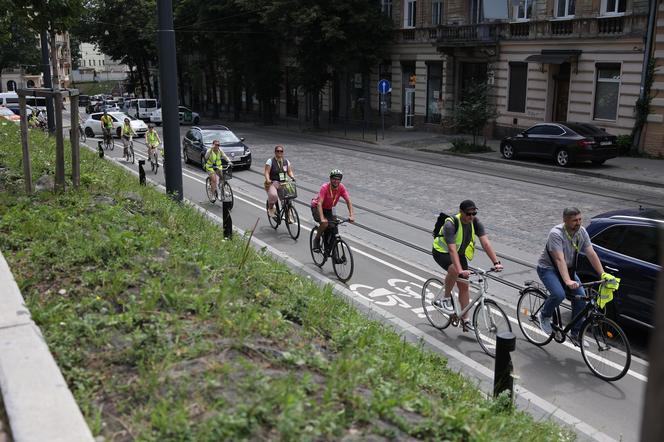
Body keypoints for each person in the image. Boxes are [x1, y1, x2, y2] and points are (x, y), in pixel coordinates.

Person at [536, 207, 610, 347]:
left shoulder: (581, 232)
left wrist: (603, 274)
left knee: (582, 300)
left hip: (568, 270)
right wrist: (567, 281)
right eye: (574, 220)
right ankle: (544, 315)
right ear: (565, 220)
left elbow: (591, 253)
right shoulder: (556, 234)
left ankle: (575, 333)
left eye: (580, 219)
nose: (578, 223)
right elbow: (559, 259)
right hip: (548, 269)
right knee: (559, 294)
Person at [431, 200, 503, 331]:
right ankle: (445, 299)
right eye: (468, 214)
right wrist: (460, 270)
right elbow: (452, 250)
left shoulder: (475, 222)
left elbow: (486, 244)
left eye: (474, 213)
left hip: (459, 254)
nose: (471, 216)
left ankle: (466, 320)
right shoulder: (450, 224)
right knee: (454, 270)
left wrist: (496, 262)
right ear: (461, 212)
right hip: (441, 251)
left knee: (464, 286)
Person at [311, 169, 355, 252]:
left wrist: (351, 215)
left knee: (334, 226)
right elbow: (319, 204)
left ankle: (328, 248)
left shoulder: (341, 187)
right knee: (325, 224)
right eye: (334, 179)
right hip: (317, 207)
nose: (336, 181)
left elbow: (348, 201)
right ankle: (316, 240)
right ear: (330, 179)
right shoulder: (325, 187)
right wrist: (322, 218)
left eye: (338, 179)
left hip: (329, 209)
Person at [264, 145, 295, 218]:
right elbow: (266, 172)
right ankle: (271, 208)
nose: (279, 152)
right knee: (273, 196)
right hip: (273, 182)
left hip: (283, 183)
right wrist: (268, 180)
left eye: (281, 151)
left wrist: (292, 177)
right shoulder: (270, 161)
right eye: (277, 151)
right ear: (275, 152)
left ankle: (288, 215)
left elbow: (289, 171)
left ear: (283, 152)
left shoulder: (286, 161)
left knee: (288, 198)